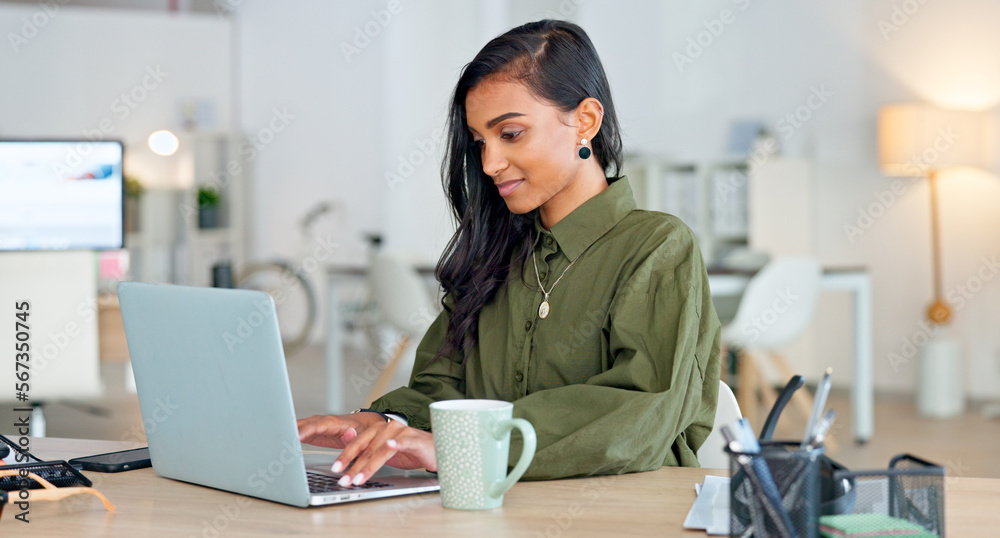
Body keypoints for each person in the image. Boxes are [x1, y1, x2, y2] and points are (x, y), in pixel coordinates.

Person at [298, 19, 721, 487]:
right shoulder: (494, 255)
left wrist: (471, 445)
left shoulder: (657, 248)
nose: (489, 163)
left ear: (585, 121)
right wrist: (388, 424)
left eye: (511, 134)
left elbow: (641, 410)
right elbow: (439, 387)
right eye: (480, 141)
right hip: (491, 506)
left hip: (624, 513)